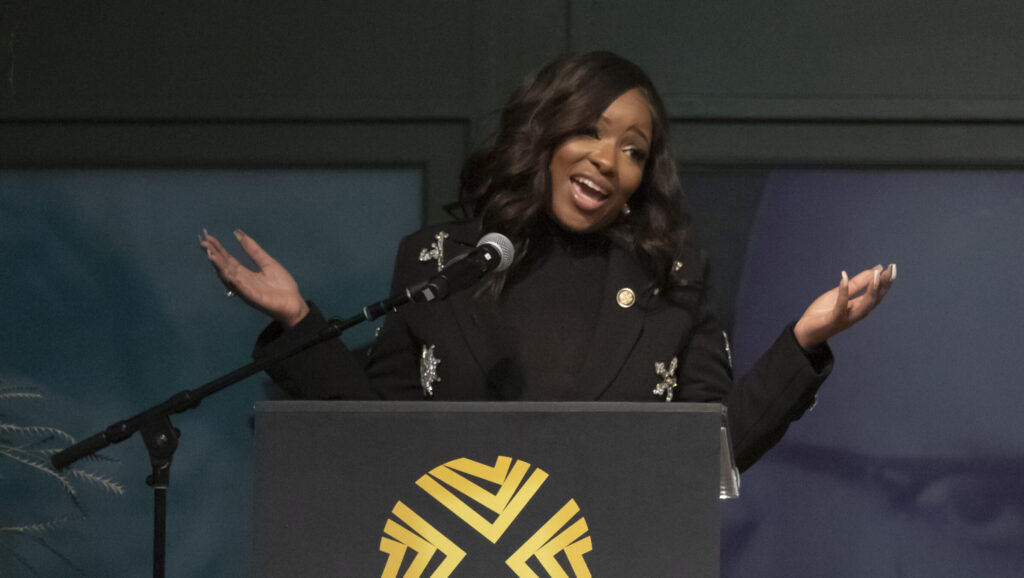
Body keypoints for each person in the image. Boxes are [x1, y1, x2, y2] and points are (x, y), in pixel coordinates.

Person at [199, 51, 894, 471]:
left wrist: (804, 342)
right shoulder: (439, 261)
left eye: (633, 150)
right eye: (591, 130)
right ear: (545, 134)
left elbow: (710, 456)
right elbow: (380, 436)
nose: (608, 159)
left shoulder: (673, 280)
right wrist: (298, 321)